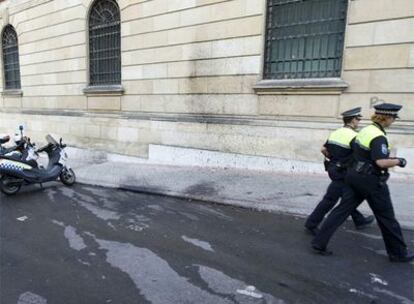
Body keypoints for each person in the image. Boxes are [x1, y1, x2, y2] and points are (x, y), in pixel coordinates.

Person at [311, 103, 413, 263]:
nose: (393, 121)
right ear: (386, 118)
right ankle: (398, 253)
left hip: (353, 177)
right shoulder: (378, 136)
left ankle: (319, 242)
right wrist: (399, 161)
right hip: (370, 181)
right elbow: (380, 162)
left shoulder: (366, 130)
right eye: (393, 118)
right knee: (387, 217)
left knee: (341, 210)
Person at [304, 107, 374, 235]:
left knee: (347, 197)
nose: (358, 122)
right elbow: (359, 157)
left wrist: (333, 158)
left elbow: (323, 149)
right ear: (353, 120)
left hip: (333, 169)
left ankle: (359, 220)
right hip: (344, 173)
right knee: (331, 199)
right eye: (358, 119)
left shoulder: (335, 133)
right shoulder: (354, 136)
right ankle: (311, 224)